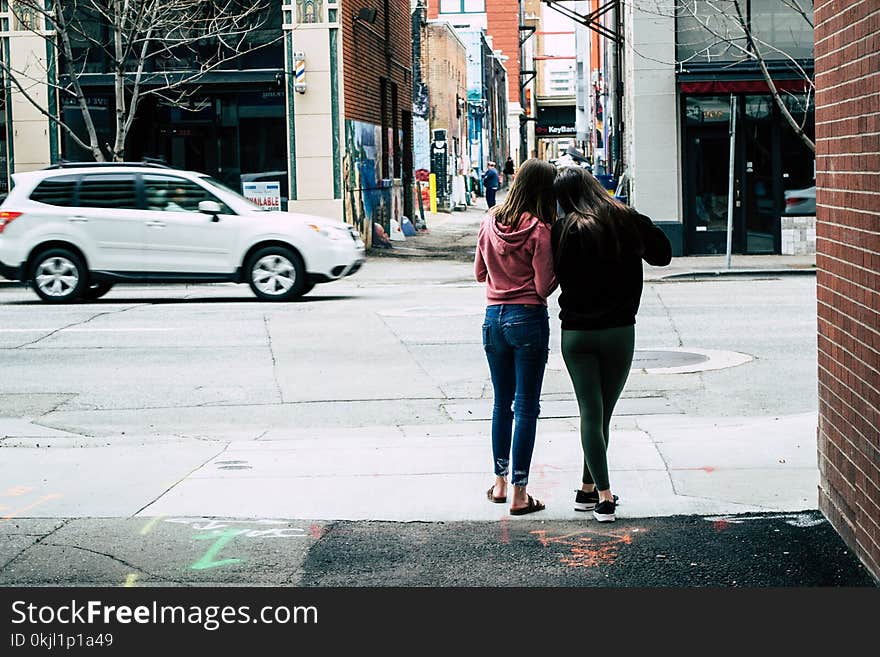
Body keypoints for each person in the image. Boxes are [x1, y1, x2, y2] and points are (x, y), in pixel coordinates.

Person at [551, 167, 672, 523]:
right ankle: (605, 498)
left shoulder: (562, 229)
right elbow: (662, 254)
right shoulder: (626, 219)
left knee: (592, 411)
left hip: (575, 334)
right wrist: (636, 222)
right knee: (601, 413)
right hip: (619, 331)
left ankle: (588, 490)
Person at [474, 158, 558, 516]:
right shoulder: (540, 230)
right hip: (527, 318)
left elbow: (479, 273)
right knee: (526, 407)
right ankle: (521, 494)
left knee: (500, 403)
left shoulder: (489, 221)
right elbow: (542, 286)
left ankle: (499, 483)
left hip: (493, 319)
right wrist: (557, 275)